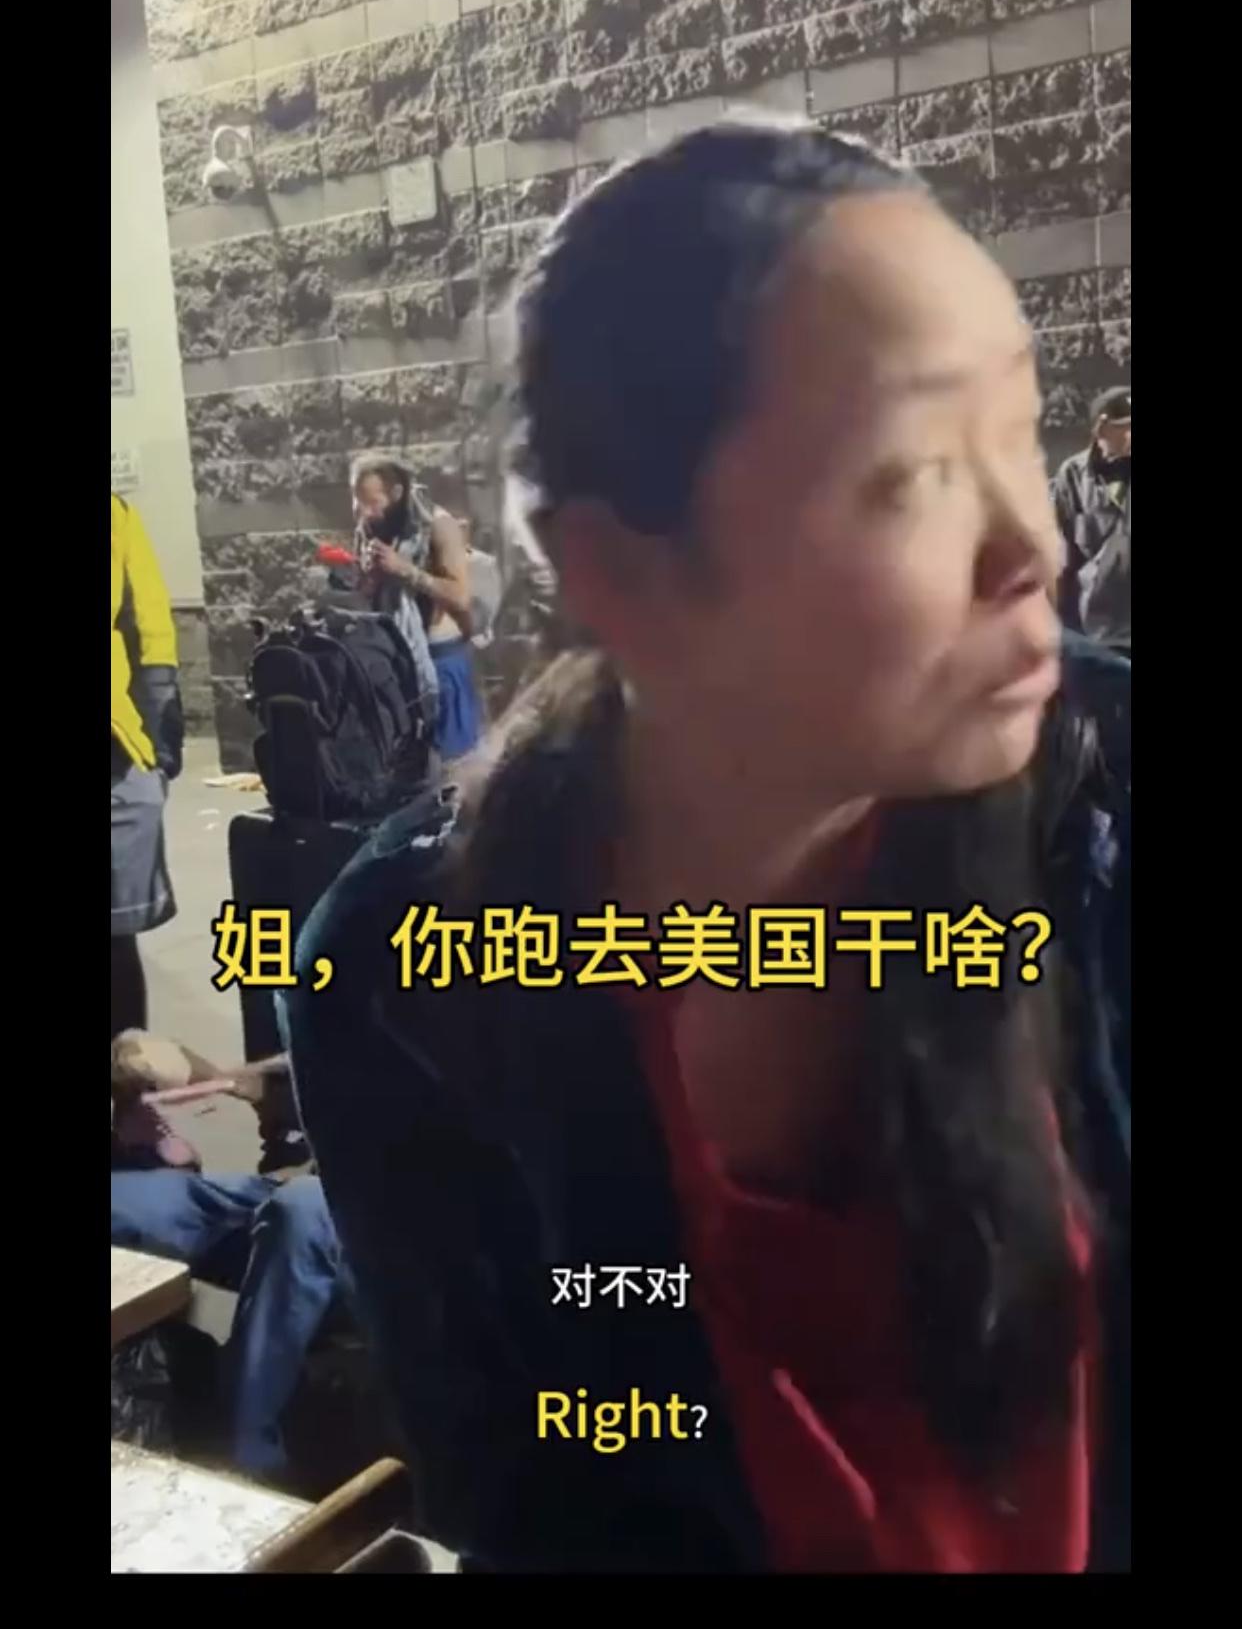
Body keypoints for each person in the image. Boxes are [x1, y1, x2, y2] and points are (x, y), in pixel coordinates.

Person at [287, 124, 1131, 1573]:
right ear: (620, 569)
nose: (1034, 553)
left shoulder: (1100, 809)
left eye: (1018, 436)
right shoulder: (406, 979)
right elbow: (536, 1487)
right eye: (914, 472)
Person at [110, 1047, 344, 1479]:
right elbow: (259, 1078)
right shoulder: (343, 1022)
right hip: (282, 1188)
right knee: (120, 1204)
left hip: (388, 1230)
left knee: (303, 1205)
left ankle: (247, 1459)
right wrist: (167, 1065)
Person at [350, 457, 483, 761]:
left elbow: (460, 597)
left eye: (373, 503)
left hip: (441, 661)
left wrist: (405, 570)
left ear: (396, 494)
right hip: (394, 662)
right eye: (358, 503)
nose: (365, 512)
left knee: (455, 767)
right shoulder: (368, 528)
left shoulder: (438, 526)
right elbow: (363, 595)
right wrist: (371, 578)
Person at [111, 493, 184, 1041]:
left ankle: (129, 1077)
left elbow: (152, 628)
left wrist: (157, 745)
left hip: (116, 754)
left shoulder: (117, 517)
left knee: (116, 937)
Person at [1051, 388, 1131, 658]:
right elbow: (1060, 557)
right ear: (1101, 429)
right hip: (1097, 632)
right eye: (1124, 427)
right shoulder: (1073, 475)